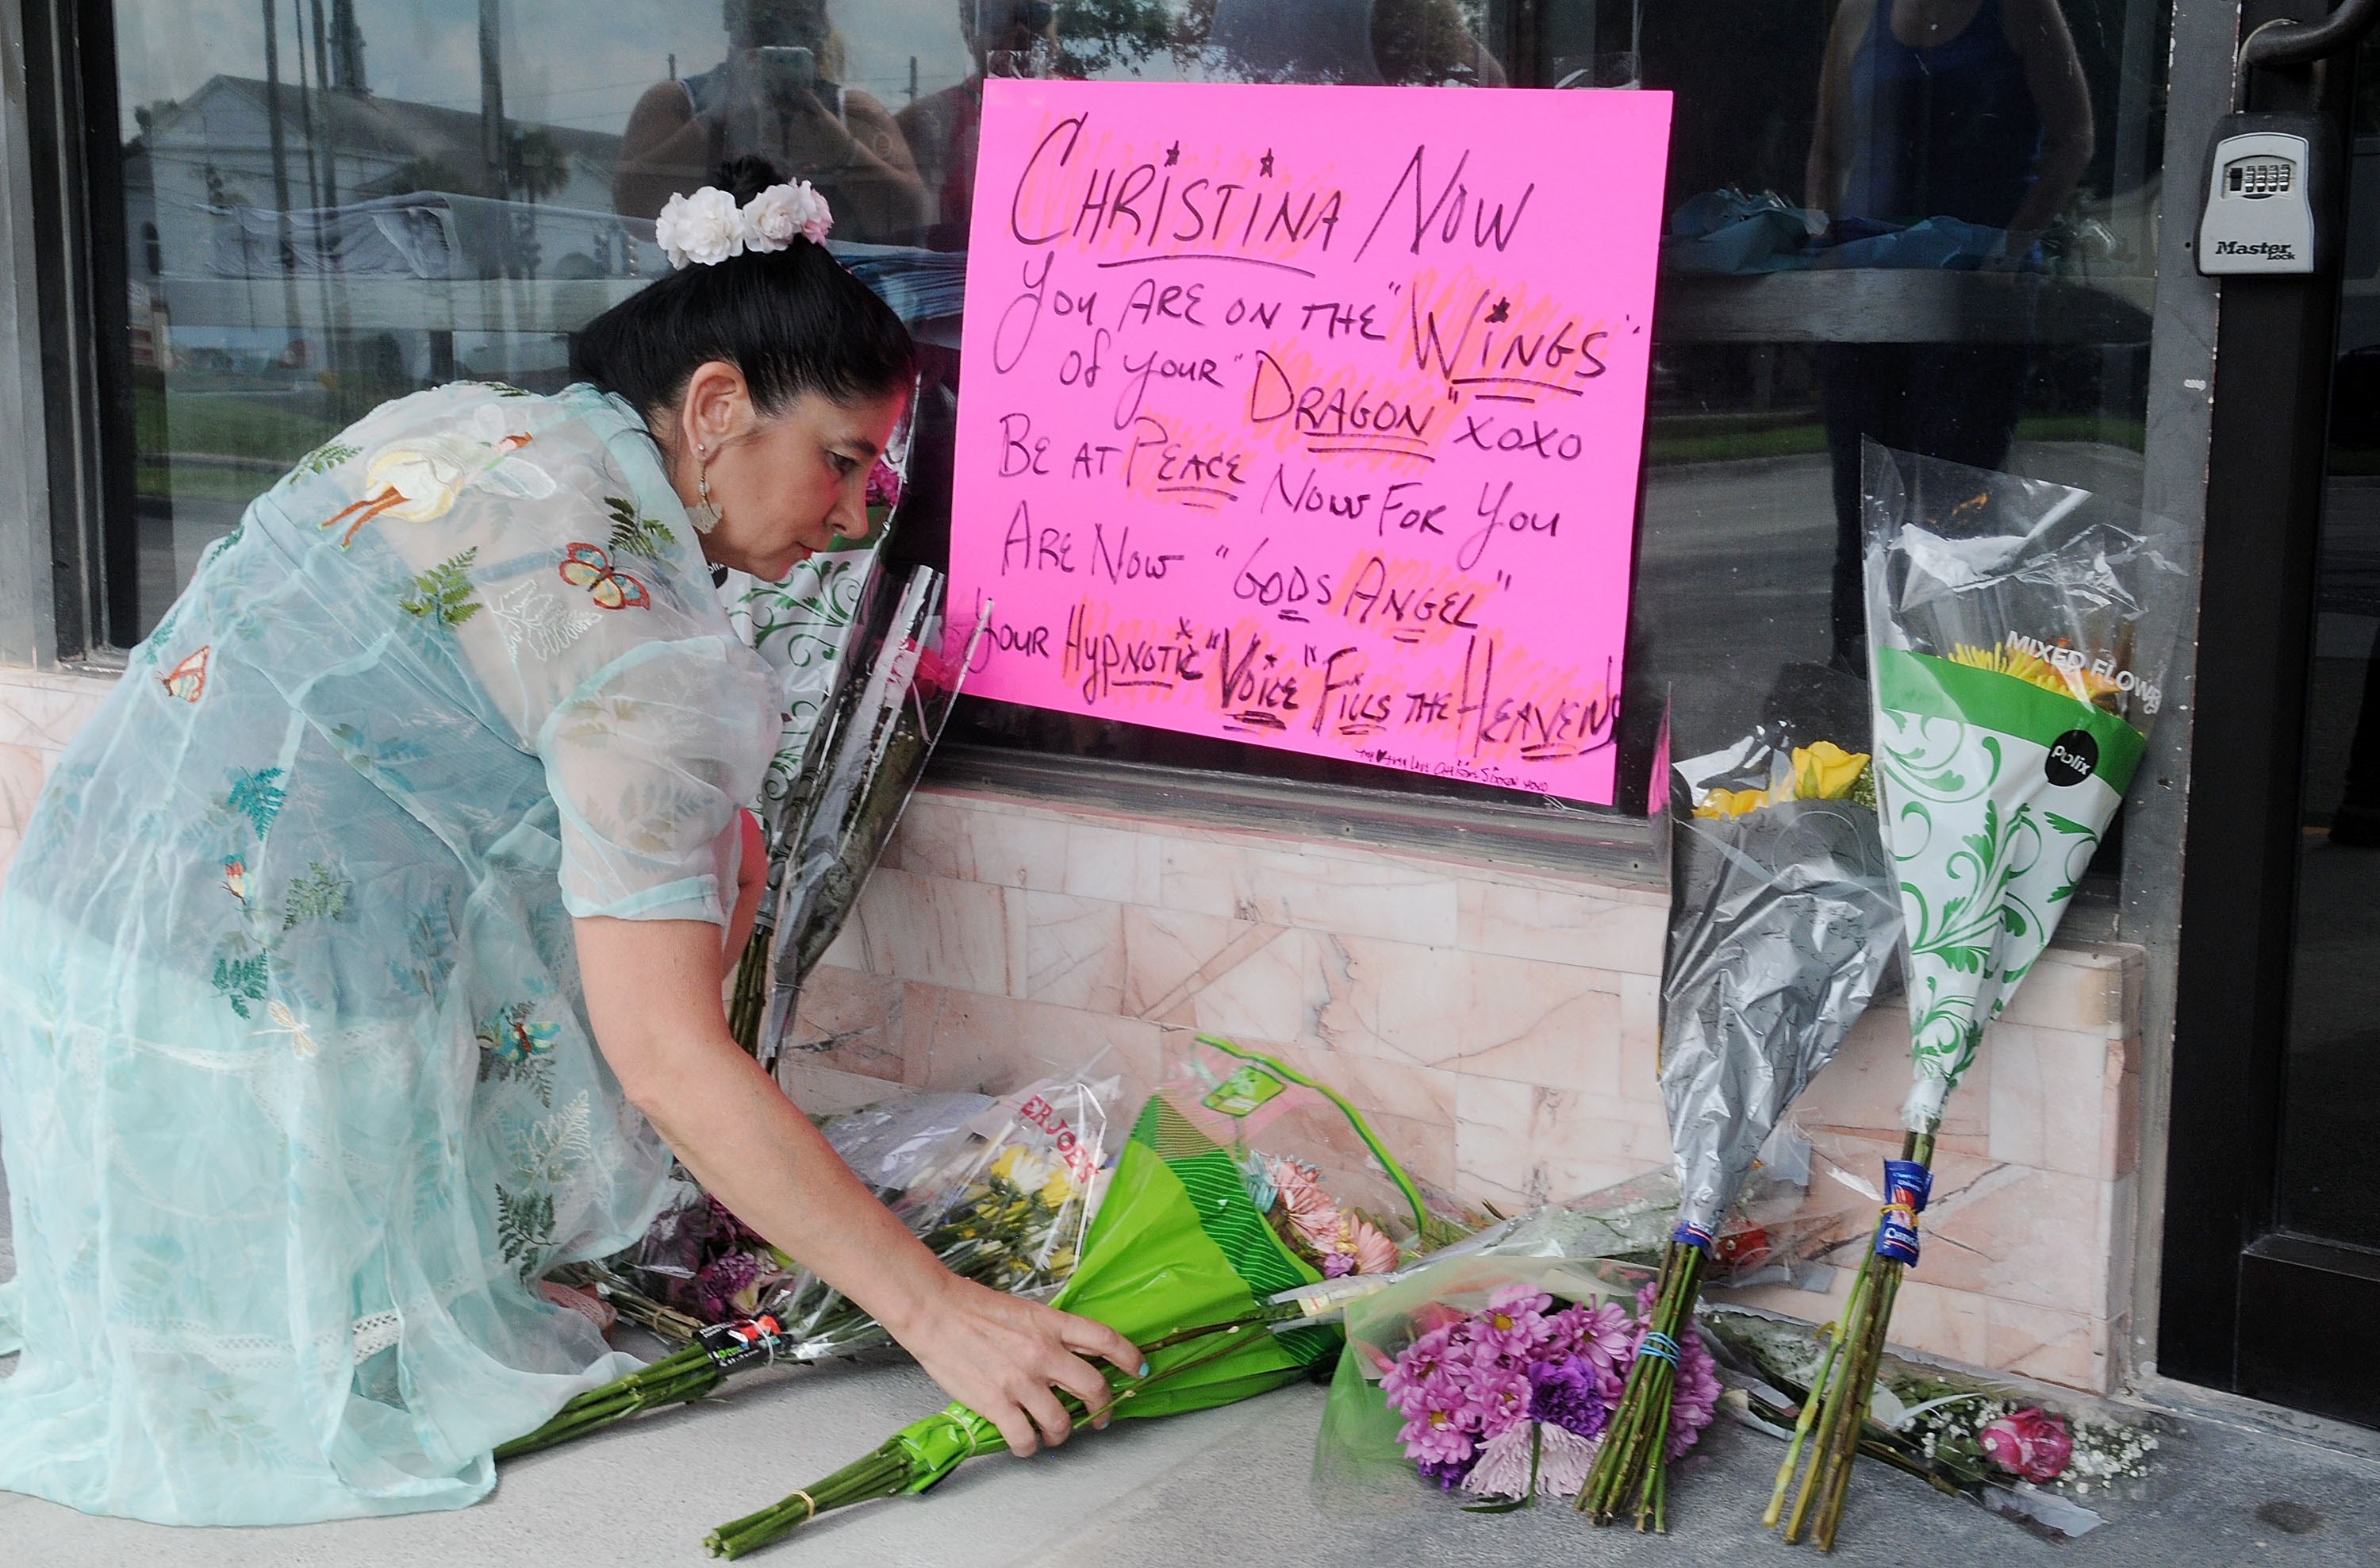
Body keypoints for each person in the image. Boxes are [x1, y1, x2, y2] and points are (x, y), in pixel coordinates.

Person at [0, 157, 1138, 1526]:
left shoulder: (482, 423)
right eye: (842, 460)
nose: (855, 519)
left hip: (78, 963)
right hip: (252, 1046)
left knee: (674, 860)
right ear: (715, 408)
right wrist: (942, 1313)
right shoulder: (638, 637)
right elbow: (663, 1051)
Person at [1803, 0, 2093, 666]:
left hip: (1976, 294)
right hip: (1869, 288)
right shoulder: (1858, 10)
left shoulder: (2022, 9)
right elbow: (1828, 146)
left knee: (1954, 513)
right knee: (1861, 515)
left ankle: (1953, 696)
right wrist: (1821, 249)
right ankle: (1857, 692)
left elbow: (2074, 137)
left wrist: (2014, 246)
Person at [613, 0, 924, 244]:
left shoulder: (852, 112)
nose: (781, 35)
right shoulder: (678, 104)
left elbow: (913, 222)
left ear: (821, 26)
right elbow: (634, 215)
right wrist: (716, 121)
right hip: (714, 312)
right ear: (730, 18)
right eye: (764, 21)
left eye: (797, 22)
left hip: (823, 313)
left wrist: (838, 146)